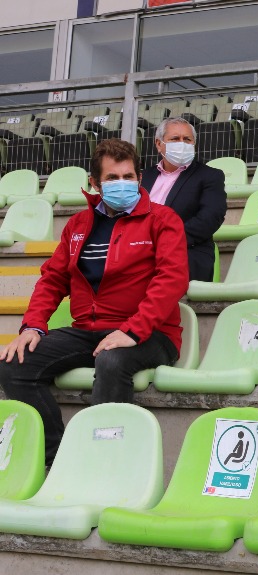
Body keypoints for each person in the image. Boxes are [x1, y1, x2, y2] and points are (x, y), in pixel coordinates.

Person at [0, 139, 189, 463]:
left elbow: (171, 280)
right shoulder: (78, 225)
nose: (122, 184)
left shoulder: (163, 219)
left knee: (112, 362)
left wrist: (131, 331)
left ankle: (102, 462)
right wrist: (33, 325)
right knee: (13, 363)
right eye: (112, 178)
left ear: (139, 177)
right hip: (89, 330)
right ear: (94, 183)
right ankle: (54, 457)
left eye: (129, 177)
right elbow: (53, 279)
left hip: (151, 334)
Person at [140, 117, 227, 282]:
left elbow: (210, 218)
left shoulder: (210, 176)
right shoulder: (143, 177)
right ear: (159, 144)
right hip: (138, 251)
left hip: (185, 251)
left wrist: (165, 241)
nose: (182, 144)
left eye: (187, 139)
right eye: (175, 139)